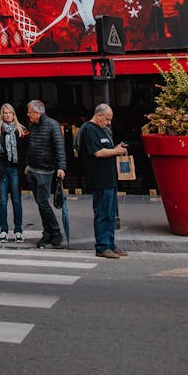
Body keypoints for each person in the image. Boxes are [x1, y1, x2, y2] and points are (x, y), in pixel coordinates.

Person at [79, 102, 129, 259]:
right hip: (99, 179)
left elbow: (106, 150)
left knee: (110, 213)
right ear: (99, 114)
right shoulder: (89, 129)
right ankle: (102, 246)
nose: (108, 123)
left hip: (109, 179)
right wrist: (116, 151)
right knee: (102, 213)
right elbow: (98, 153)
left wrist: (116, 147)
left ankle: (110, 244)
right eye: (107, 119)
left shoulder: (102, 130)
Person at [25, 99, 66, 248]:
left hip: (45, 171)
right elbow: (30, 146)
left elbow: (59, 148)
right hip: (33, 169)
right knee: (41, 203)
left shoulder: (52, 125)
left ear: (37, 113)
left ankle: (55, 232)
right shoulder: (33, 125)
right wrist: (28, 164)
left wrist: (61, 167)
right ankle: (48, 233)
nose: (28, 115)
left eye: (30, 113)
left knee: (42, 203)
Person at [0, 103, 28, 242]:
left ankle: (18, 231)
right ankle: (3, 230)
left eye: (10, 112)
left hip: (15, 169)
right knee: (2, 201)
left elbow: (27, 149)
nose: (8, 115)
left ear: (14, 114)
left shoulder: (21, 130)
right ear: (2, 115)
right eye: (5, 113)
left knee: (17, 201)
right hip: (1, 169)